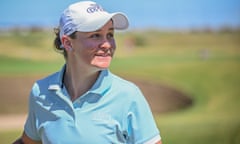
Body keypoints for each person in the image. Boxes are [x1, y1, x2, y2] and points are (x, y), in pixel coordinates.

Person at [13, 1, 162, 144]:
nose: (107, 44)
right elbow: (28, 142)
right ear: (68, 43)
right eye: (95, 35)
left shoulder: (128, 96)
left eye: (110, 35)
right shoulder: (41, 92)